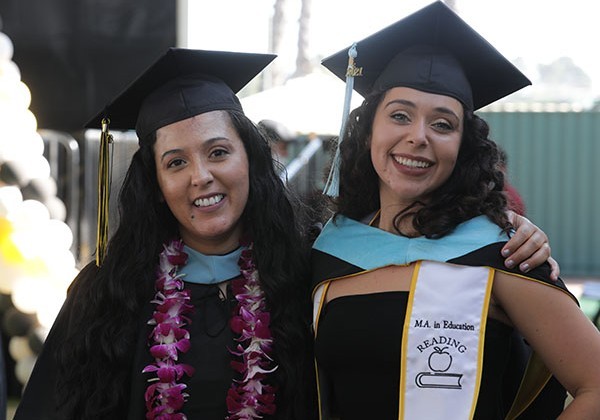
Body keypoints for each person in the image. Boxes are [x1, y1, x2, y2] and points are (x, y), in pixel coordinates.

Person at [311, 2, 600, 419]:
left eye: (443, 124)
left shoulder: (501, 252)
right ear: (369, 127)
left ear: (463, 147)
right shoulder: (328, 252)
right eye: (399, 115)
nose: (418, 137)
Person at [14, 48, 315, 419]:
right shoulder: (106, 296)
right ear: (155, 185)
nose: (201, 176)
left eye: (218, 152)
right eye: (176, 162)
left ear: (250, 160)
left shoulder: (301, 284)